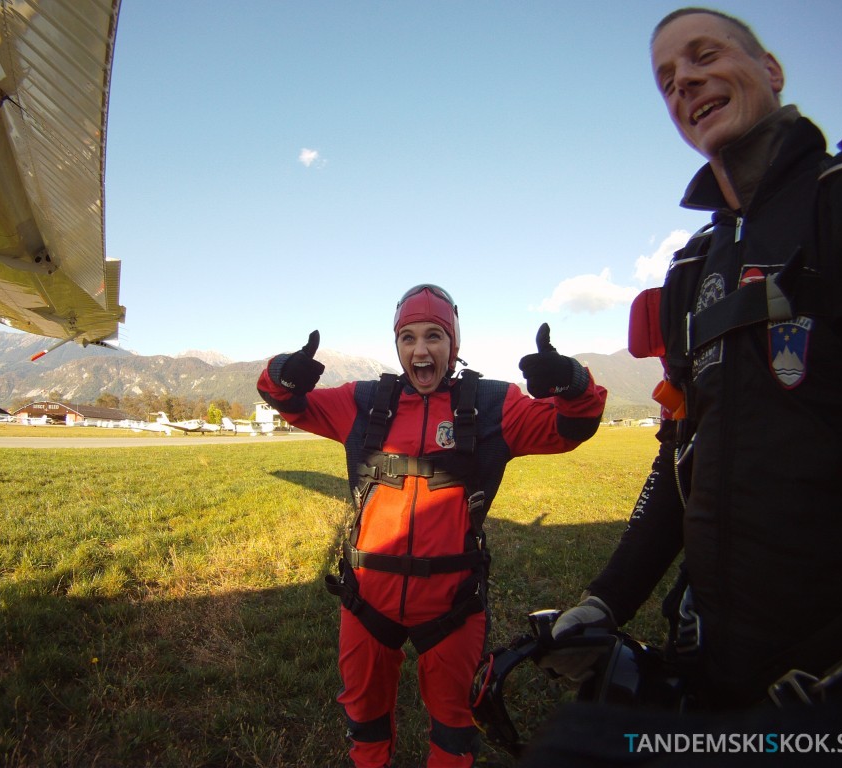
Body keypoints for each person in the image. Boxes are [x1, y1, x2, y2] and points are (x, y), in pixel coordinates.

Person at [546, 7, 842, 713]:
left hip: (841, 686)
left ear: (771, 70)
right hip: (712, 665)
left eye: (704, 56)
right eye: (666, 79)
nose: (684, 83)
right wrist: (606, 601)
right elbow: (679, 461)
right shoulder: (693, 268)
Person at [257, 284, 607, 767]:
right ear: (397, 346)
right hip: (367, 600)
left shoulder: (493, 404)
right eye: (408, 338)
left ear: (453, 344)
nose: (420, 350)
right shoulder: (363, 401)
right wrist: (285, 372)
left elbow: (574, 426)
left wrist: (571, 381)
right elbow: (282, 399)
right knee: (365, 719)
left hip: (452, 606)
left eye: (434, 336)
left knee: (454, 728)